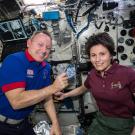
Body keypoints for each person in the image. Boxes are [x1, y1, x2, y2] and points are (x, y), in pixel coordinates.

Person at [55, 32, 135, 135]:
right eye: (93, 55)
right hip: (101, 120)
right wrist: (65, 95)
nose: (97, 60)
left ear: (111, 55)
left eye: (102, 54)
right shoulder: (93, 74)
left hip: (123, 124)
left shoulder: (127, 73)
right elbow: (83, 88)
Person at [0, 30, 69, 135]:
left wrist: (55, 123)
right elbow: (16, 102)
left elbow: (47, 97)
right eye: (40, 44)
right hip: (3, 125)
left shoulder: (46, 67)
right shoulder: (14, 61)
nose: (44, 50)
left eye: (48, 48)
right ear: (29, 43)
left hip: (23, 123)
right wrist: (53, 88)